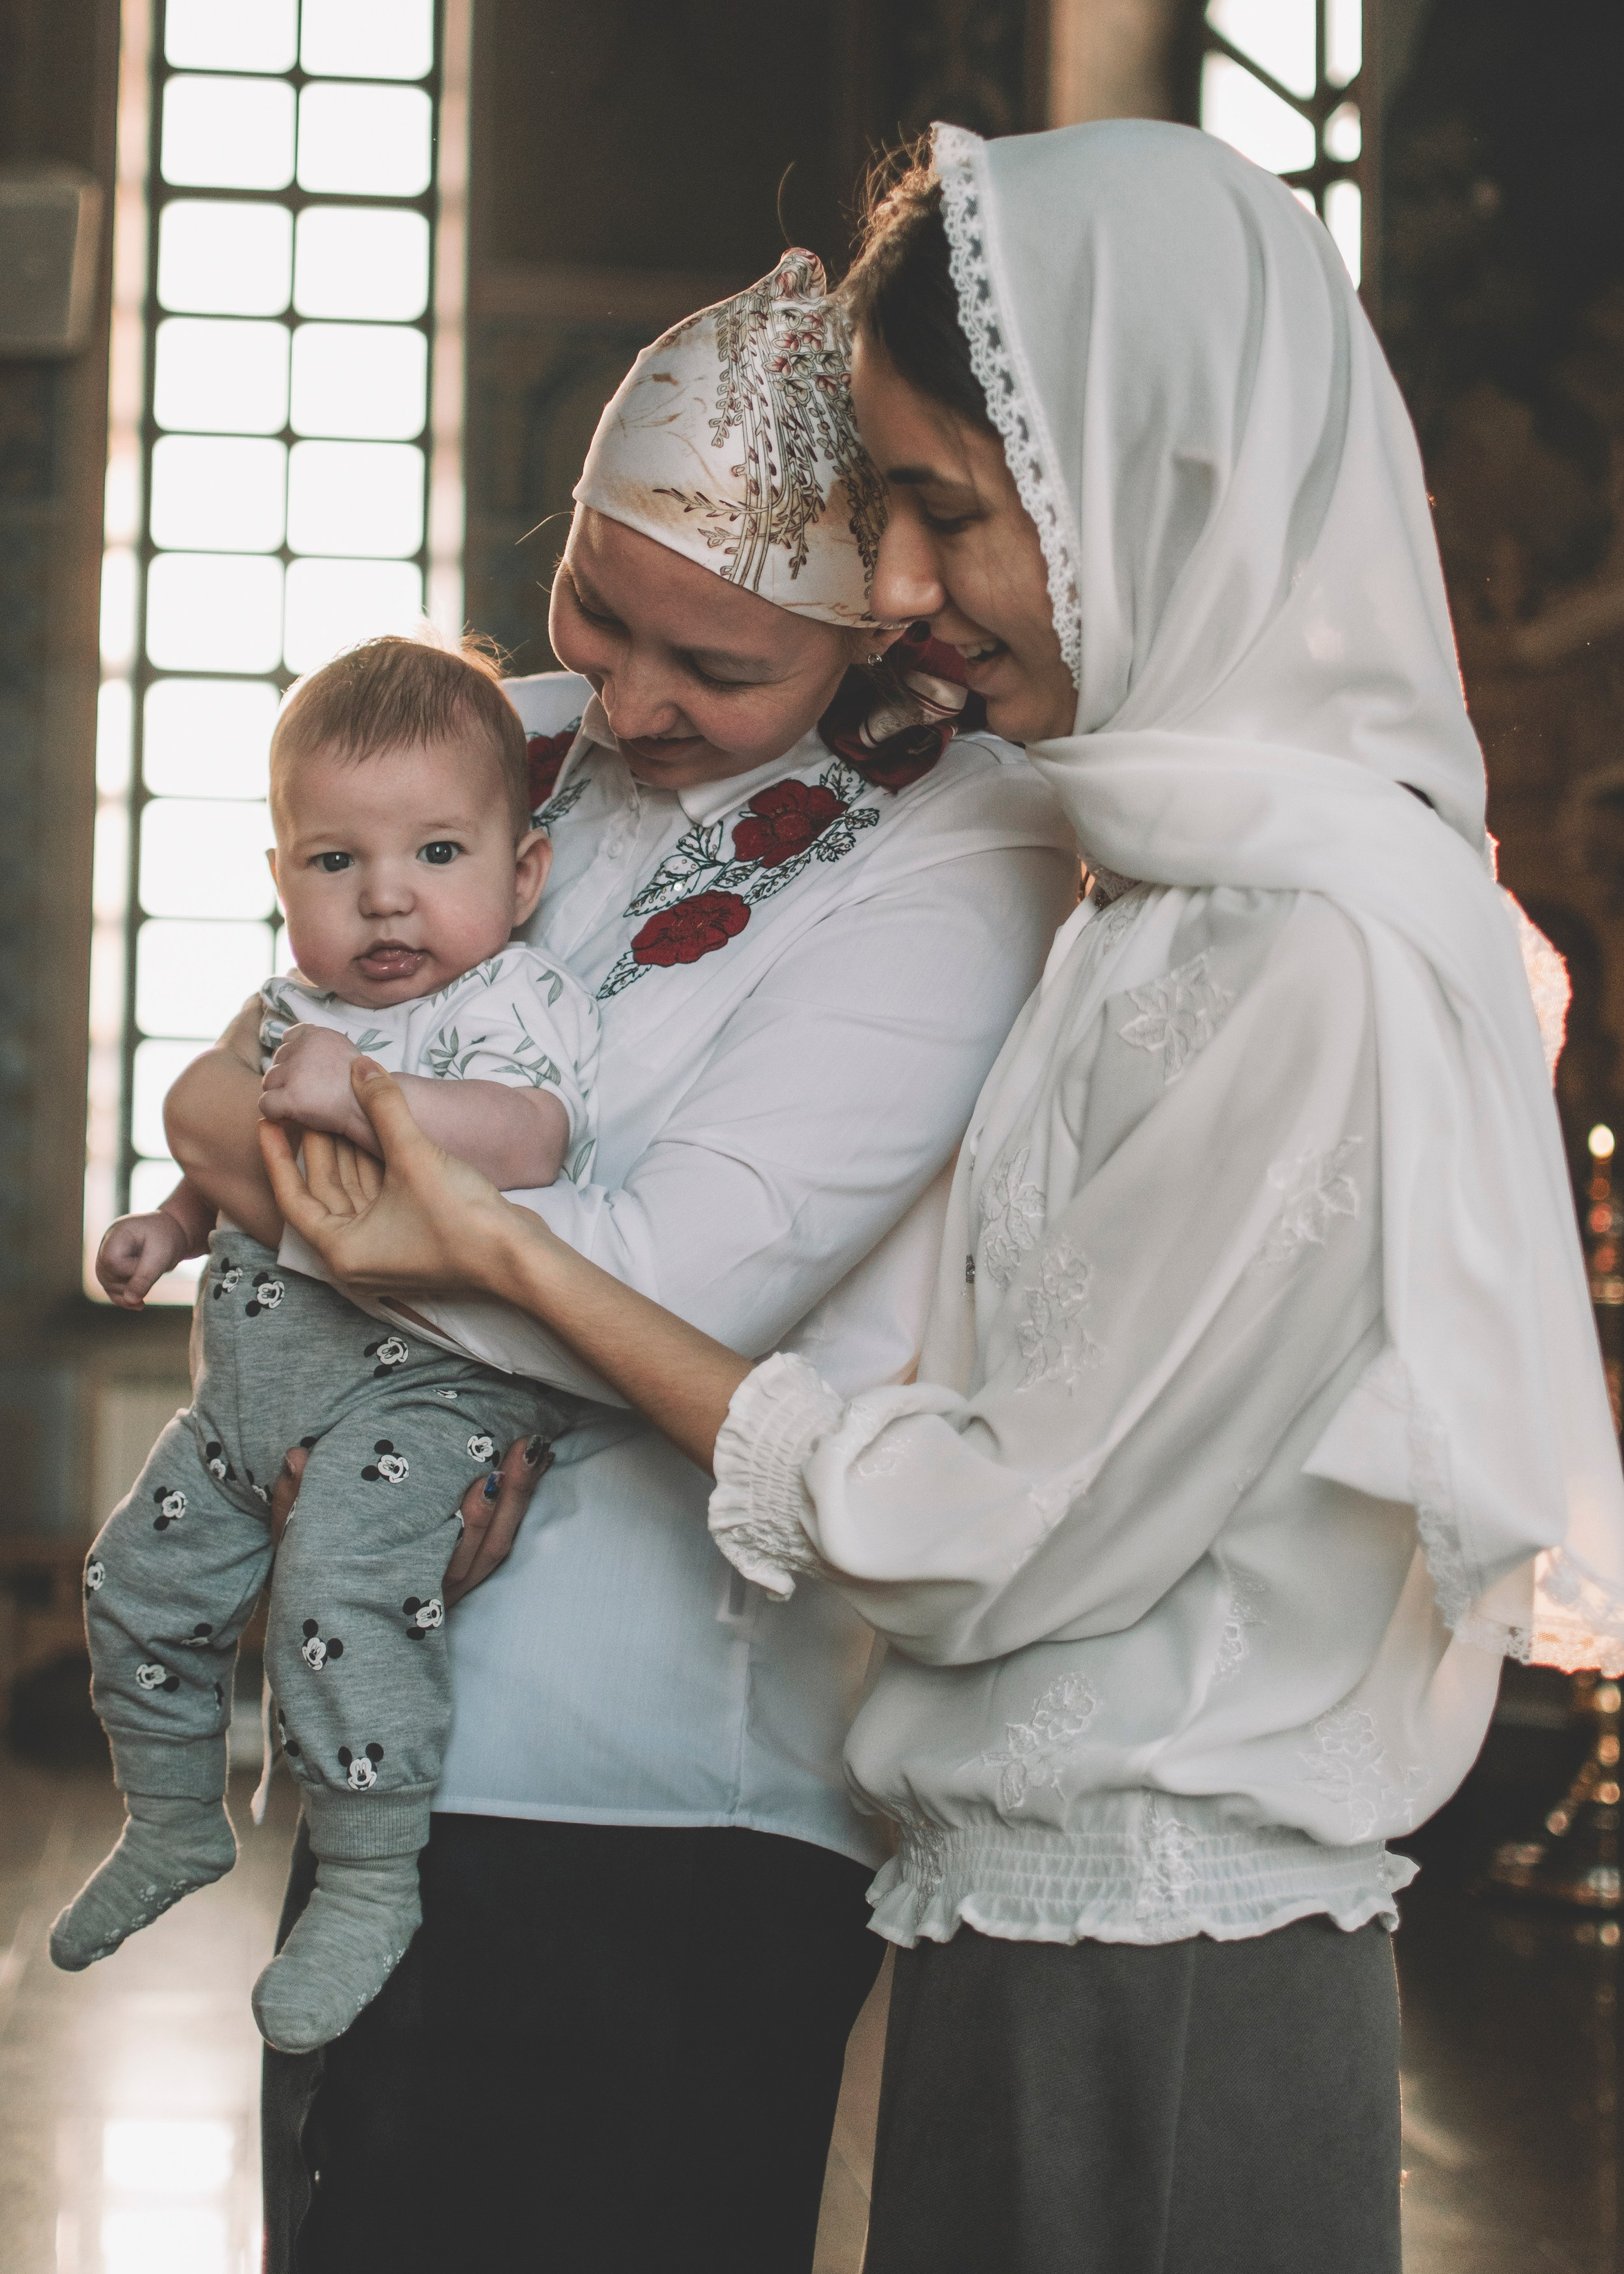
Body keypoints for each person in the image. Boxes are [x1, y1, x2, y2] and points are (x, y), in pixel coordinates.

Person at [261, 123, 1624, 2274]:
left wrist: (497, 1271)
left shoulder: (1292, 934)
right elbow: (273, 1090)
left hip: (1123, 1900)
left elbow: (989, 1523)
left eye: (945, 516)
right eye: (885, 513)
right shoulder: (1147, 889)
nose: (898, 587)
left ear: (1139, 487)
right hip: (995, 1889)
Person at [164, 250, 1079, 2272]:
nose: (629, 702)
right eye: (598, 607)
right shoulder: (523, 737)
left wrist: (338, 1242)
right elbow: (218, 1091)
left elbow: (678, 1287)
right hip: (391, 1728)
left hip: (673, 1787)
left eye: (720, 668)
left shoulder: (965, 844)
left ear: (865, 633)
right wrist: (364, 1349)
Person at [57, 637, 599, 2054]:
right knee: (131, 1579)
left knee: (339, 1595)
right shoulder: (292, 1008)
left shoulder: (499, 1005)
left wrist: (368, 1100)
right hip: (247, 1388)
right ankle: (171, 1817)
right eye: (334, 863)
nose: (386, 897)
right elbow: (239, 1144)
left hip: (414, 1393)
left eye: (434, 850)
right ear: (282, 879)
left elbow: (527, 1139)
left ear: (521, 875)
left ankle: (366, 1878)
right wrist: (170, 1224)